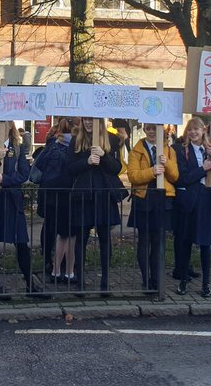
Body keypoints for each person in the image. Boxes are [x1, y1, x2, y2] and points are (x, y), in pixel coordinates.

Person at [0, 122, 40, 299]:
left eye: (2, 123)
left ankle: (30, 284)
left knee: (21, 243)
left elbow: (24, 173)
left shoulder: (18, 146)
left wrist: (5, 179)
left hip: (11, 200)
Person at [65, 117, 124, 294]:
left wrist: (104, 155)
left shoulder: (111, 140)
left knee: (105, 239)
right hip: (83, 196)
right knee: (81, 239)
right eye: (86, 120)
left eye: (92, 120)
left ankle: (105, 282)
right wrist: (86, 161)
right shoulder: (76, 140)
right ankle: (80, 281)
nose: (89, 123)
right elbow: (69, 167)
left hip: (104, 195)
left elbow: (117, 168)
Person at [126, 122, 178, 292]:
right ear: (144, 130)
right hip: (144, 198)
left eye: (155, 128)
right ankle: (145, 279)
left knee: (158, 241)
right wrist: (151, 171)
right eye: (148, 128)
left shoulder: (169, 150)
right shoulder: (137, 150)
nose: (151, 132)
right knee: (144, 240)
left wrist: (167, 164)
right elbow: (133, 176)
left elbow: (175, 176)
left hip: (163, 198)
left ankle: (156, 279)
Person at [172, 117, 211, 297]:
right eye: (190, 130)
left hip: (206, 202)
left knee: (206, 244)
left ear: (203, 130)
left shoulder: (210, 149)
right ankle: (183, 280)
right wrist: (202, 169)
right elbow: (182, 178)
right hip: (189, 202)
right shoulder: (182, 150)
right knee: (185, 242)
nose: (193, 133)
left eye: (196, 129)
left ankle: (206, 284)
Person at [36, 118, 76, 285]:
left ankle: (54, 267)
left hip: (51, 195)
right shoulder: (73, 146)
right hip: (68, 195)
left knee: (56, 231)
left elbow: (40, 164)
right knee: (69, 234)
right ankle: (66, 271)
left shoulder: (53, 143)